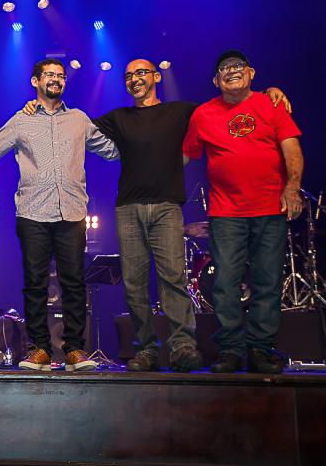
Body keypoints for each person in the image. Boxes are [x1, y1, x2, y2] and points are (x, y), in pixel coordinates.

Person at [23, 59, 289, 372]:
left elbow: (224, 106)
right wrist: (37, 107)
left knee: (173, 279)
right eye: (128, 76)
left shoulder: (182, 112)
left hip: (167, 207)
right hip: (128, 208)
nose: (134, 79)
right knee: (134, 284)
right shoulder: (118, 118)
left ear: (156, 77)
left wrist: (268, 92)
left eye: (141, 73)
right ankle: (146, 349)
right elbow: (74, 126)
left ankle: (182, 348)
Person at [0, 59, 119, 371]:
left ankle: (74, 350)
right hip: (32, 211)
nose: (56, 79)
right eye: (50, 75)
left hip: (71, 210)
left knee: (74, 282)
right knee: (35, 283)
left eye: (61, 76)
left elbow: (111, 150)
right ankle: (40, 349)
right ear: (35, 81)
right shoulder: (22, 119)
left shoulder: (78, 119)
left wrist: (139, 136)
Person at [183, 50, 303, 374]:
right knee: (225, 283)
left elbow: (291, 148)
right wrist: (151, 177)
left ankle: (260, 349)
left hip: (270, 207)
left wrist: (292, 188)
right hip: (226, 212)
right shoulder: (203, 114)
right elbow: (185, 155)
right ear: (215, 80)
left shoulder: (272, 104)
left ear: (251, 73)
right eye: (224, 68)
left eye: (238, 66)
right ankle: (230, 351)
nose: (231, 71)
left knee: (267, 281)